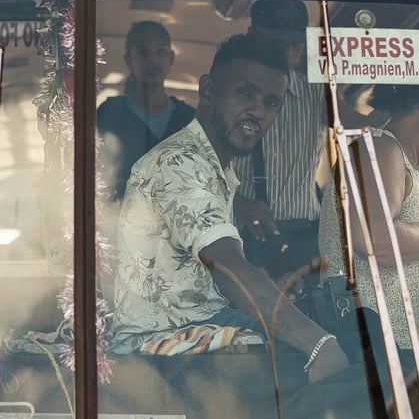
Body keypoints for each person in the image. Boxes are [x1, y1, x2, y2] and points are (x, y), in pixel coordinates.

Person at [110, 33, 349, 383]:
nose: (258, 112)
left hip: (201, 331)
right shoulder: (179, 163)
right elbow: (227, 265)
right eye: (245, 93)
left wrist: (272, 289)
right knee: (335, 361)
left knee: (350, 334)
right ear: (208, 90)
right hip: (158, 350)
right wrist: (319, 345)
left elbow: (205, 279)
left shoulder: (218, 169)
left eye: (271, 102)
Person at [232, 0, 385, 280]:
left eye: (298, 44)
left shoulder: (315, 93)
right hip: (244, 240)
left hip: (303, 240)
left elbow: (362, 127)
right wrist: (239, 204)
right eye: (279, 44)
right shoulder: (229, 94)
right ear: (252, 35)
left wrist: (395, 94)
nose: (291, 53)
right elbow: (202, 171)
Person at [318, 84, 419, 347]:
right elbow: (375, 239)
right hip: (375, 353)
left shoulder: (398, 159)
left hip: (392, 352)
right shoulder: (379, 147)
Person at [98, 21, 195, 202]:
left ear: (171, 59)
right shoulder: (110, 112)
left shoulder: (188, 119)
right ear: (129, 60)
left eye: (161, 51)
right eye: (143, 52)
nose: (153, 60)